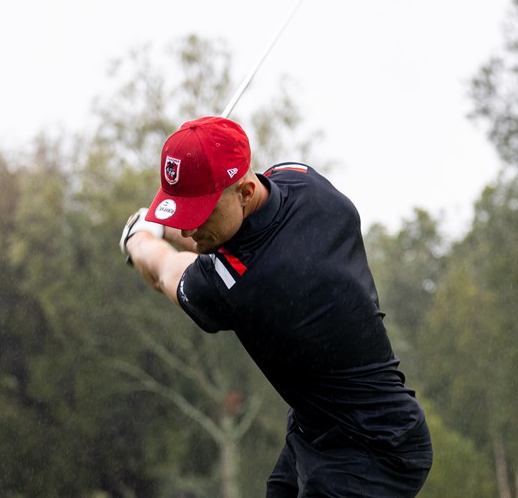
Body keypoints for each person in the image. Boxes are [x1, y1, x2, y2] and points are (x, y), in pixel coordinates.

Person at [120, 116, 433, 497]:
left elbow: (163, 271)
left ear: (246, 192)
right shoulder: (302, 181)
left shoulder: (243, 283)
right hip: (318, 430)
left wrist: (139, 236)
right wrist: (177, 216)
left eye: (198, 216)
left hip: (374, 451)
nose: (188, 230)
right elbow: (226, 238)